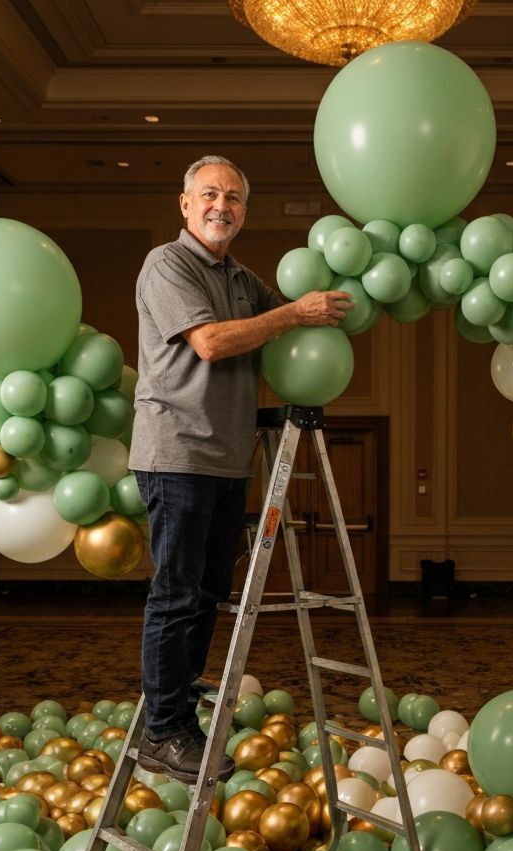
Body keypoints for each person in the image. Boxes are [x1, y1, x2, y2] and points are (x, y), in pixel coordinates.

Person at [129, 155, 352, 781]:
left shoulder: (240, 278)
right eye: (208, 194)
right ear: (185, 204)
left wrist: (334, 298)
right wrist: (294, 314)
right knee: (176, 593)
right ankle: (163, 730)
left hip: (227, 459)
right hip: (177, 454)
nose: (220, 206)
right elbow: (212, 342)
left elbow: (284, 317)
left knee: (207, 592)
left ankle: (177, 704)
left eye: (232, 197)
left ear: (244, 212)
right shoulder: (166, 264)